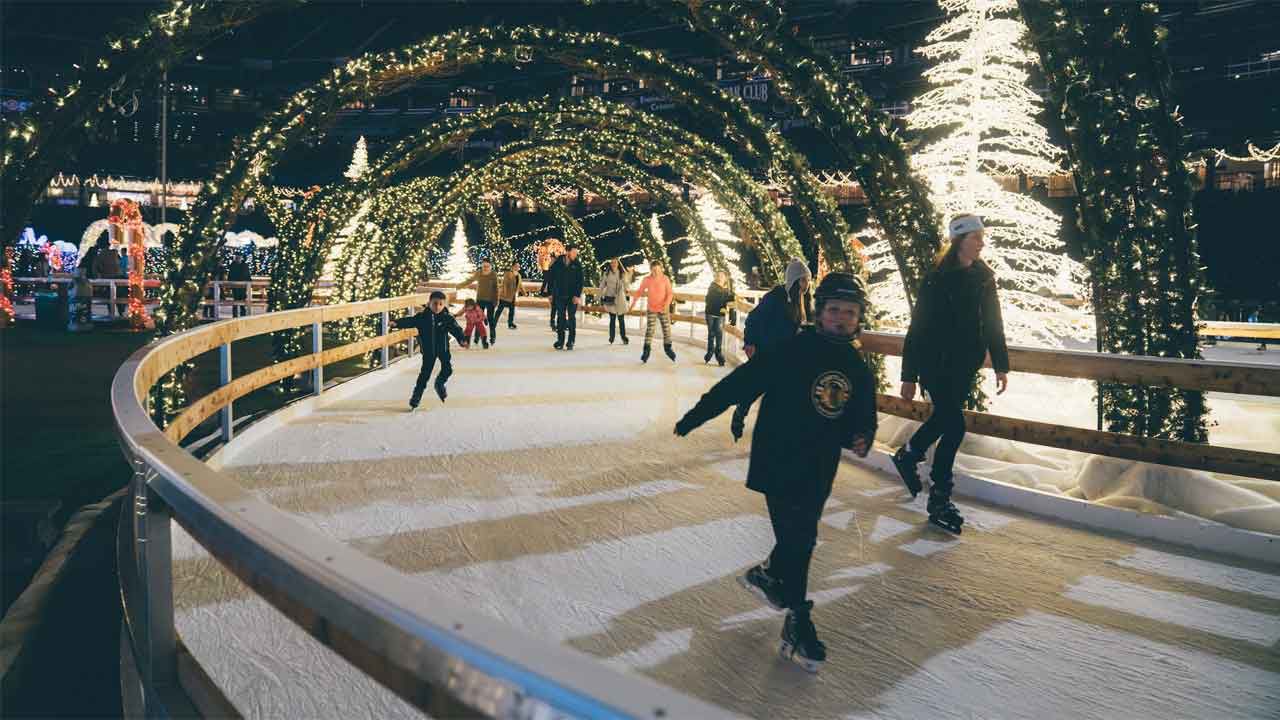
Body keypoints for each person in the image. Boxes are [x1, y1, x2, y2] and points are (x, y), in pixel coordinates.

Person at [674, 272, 876, 673]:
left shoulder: (855, 364)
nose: (840, 318)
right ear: (819, 313)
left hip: (819, 465)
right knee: (800, 539)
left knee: (801, 537)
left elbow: (862, 412)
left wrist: (862, 436)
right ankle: (798, 621)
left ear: (858, 319)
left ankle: (770, 575)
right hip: (780, 457)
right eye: (833, 310)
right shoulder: (794, 349)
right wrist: (698, 414)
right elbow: (744, 381)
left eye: (849, 313)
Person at [892, 214, 1010, 535]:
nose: (982, 243)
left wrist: (1001, 364)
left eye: (982, 237)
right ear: (960, 240)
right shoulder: (936, 279)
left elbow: (994, 322)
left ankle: (909, 455)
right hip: (934, 363)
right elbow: (917, 328)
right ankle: (939, 498)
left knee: (944, 420)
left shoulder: (985, 278)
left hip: (963, 366)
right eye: (976, 237)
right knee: (954, 425)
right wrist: (909, 375)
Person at [730, 259, 812, 441]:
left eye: (808, 280)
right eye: (805, 280)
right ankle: (739, 414)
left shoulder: (801, 300)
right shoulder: (775, 297)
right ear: (795, 279)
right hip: (767, 351)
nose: (808, 284)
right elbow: (753, 319)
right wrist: (750, 342)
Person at [393, 290, 469, 411]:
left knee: (448, 370)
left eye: (440, 304)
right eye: (435, 303)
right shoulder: (422, 317)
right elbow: (410, 321)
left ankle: (439, 383)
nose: (437, 307)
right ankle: (416, 397)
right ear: (429, 303)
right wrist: (396, 323)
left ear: (444, 305)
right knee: (424, 375)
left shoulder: (447, 318)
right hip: (429, 352)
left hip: (443, 350)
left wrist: (462, 340)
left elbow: (456, 329)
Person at [628, 262, 676, 363]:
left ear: (661, 269)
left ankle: (668, 348)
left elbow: (670, 294)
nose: (656, 272)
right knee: (650, 330)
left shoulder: (665, 279)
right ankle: (646, 351)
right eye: (654, 270)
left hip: (663, 308)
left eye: (658, 270)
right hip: (652, 308)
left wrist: (666, 304)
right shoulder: (647, 279)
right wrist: (633, 304)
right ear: (651, 270)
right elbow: (640, 291)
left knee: (666, 329)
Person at [552, 246, 585, 350]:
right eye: (574, 253)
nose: (575, 255)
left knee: (571, 318)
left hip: (572, 297)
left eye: (576, 253)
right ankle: (560, 341)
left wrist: (577, 295)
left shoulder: (577, 264)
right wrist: (551, 293)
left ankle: (571, 341)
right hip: (560, 296)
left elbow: (580, 281)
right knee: (560, 318)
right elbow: (552, 277)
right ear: (567, 252)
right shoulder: (558, 262)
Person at [704, 270, 734, 365]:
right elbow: (712, 298)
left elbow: (731, 300)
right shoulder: (712, 287)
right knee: (712, 333)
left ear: (725, 278)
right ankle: (710, 352)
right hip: (711, 313)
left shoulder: (727, 289)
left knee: (719, 334)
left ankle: (718, 354)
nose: (720, 277)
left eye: (722, 276)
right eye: (718, 275)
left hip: (720, 315)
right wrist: (723, 305)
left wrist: (732, 314)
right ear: (716, 277)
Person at [466, 260, 500, 344]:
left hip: (490, 300)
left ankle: (492, 337)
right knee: (478, 319)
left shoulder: (493, 274)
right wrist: (459, 285)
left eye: (487, 266)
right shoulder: (479, 273)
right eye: (484, 266)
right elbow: (470, 280)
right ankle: (477, 337)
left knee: (490, 319)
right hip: (480, 300)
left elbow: (496, 288)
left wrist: (496, 300)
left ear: (490, 267)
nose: (485, 268)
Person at [599, 258, 631, 345]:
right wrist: (600, 293)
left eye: (615, 262)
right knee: (612, 319)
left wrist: (627, 289)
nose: (613, 264)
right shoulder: (607, 273)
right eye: (612, 262)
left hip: (620, 298)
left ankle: (623, 337)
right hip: (610, 297)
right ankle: (611, 337)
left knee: (621, 319)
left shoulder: (622, 273)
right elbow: (602, 284)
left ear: (618, 263)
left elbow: (626, 283)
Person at [541, 249, 564, 331]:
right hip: (553, 291)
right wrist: (549, 293)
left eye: (552, 258)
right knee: (555, 308)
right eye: (551, 258)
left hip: (558, 291)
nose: (551, 259)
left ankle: (557, 323)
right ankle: (553, 323)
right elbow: (548, 281)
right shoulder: (551, 268)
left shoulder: (557, 268)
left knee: (558, 308)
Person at [495, 262, 522, 331]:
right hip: (505, 295)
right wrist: (504, 292)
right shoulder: (508, 273)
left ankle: (510, 323)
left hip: (512, 295)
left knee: (512, 310)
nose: (517, 268)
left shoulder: (518, 275)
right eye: (516, 266)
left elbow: (520, 284)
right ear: (512, 267)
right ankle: (494, 322)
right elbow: (505, 284)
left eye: (518, 267)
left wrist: (524, 292)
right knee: (500, 309)